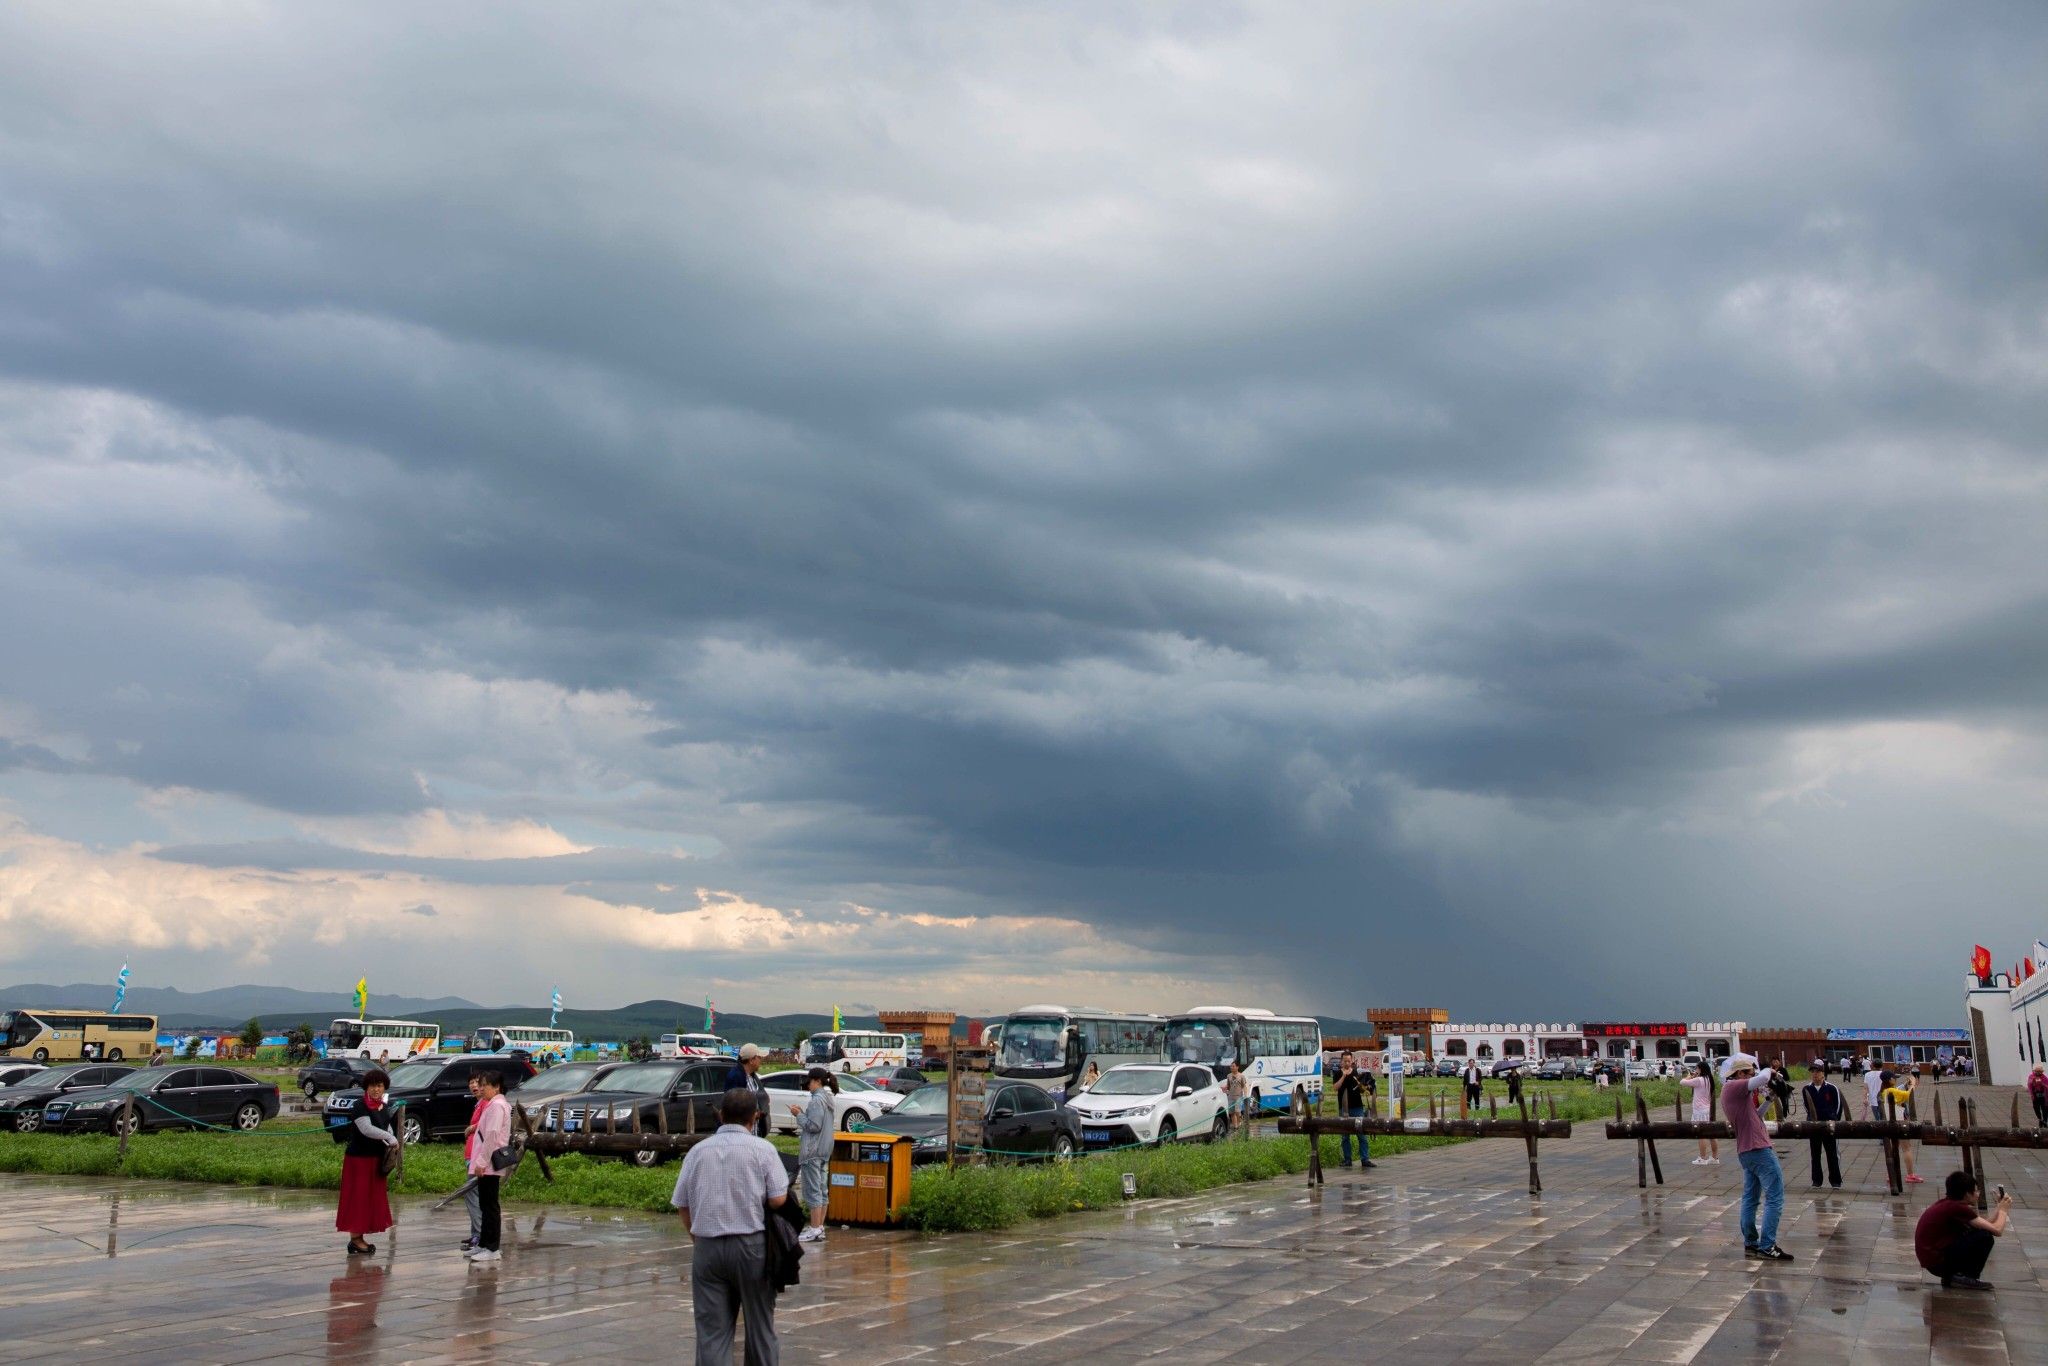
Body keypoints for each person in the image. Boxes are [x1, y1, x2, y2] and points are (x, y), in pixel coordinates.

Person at [675, 1088, 790, 1365]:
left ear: (721, 1115)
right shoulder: (763, 1150)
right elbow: (777, 1199)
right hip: (752, 1247)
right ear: (755, 1117)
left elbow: (682, 1203)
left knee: (712, 1333)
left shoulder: (698, 1151)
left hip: (707, 1247)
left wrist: (697, 1239)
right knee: (760, 1327)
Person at [1721, 1054, 1792, 1261]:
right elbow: (1762, 1078)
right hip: (1758, 1148)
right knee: (1775, 1197)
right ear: (1739, 1074)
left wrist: (1770, 1099)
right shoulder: (1734, 1087)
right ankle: (1768, 1245)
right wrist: (1771, 1071)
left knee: (1751, 1198)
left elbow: (1755, 1116)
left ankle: (1751, 1242)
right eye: (1748, 1073)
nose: (1751, 1077)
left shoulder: (1735, 1094)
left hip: (1747, 1150)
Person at [336, 1068, 400, 1256]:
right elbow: (366, 1129)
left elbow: (386, 1127)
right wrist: (390, 1138)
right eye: (372, 1086)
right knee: (358, 1199)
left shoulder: (383, 1106)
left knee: (370, 1199)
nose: (376, 1089)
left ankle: (359, 1238)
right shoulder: (360, 1106)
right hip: (359, 1160)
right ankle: (355, 1239)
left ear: (384, 1087)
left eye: (379, 1086)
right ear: (366, 1087)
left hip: (376, 1160)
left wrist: (391, 1138)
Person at [1916, 1172, 2013, 1290]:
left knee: (1980, 1232)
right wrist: (2003, 1211)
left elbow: (1985, 1224)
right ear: (1967, 1194)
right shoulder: (1957, 1208)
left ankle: (1953, 1277)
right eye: (1976, 1191)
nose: (1978, 1194)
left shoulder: (1949, 1204)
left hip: (1934, 1261)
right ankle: (1967, 1277)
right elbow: (1997, 1230)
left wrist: (1999, 1207)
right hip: (1938, 1261)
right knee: (1985, 1237)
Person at [467, 1070, 511, 1263]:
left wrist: (481, 1162)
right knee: (485, 1205)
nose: (481, 1088)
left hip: (489, 1164)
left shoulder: (497, 1106)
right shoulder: (494, 1104)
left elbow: (492, 1135)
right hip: (487, 1164)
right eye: (481, 1084)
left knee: (490, 1206)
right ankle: (484, 1244)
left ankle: (492, 1248)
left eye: (485, 1085)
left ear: (497, 1087)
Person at [791, 1069, 836, 1244]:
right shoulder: (828, 1099)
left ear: (817, 1081)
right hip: (824, 1150)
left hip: (812, 1151)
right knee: (822, 1190)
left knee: (813, 1190)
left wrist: (799, 1115)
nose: (808, 1085)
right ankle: (819, 1228)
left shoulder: (817, 1100)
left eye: (809, 1082)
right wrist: (804, 1113)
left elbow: (814, 1126)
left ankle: (815, 1228)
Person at [1800, 1064, 1849, 1189]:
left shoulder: (1831, 1088)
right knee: (1815, 1154)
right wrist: (1811, 1119)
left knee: (1832, 1153)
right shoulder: (1806, 1089)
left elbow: (1838, 1106)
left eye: (1817, 1072)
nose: (1815, 1074)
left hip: (1829, 1125)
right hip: (1813, 1125)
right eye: (1812, 1072)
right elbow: (1806, 1106)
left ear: (1823, 1073)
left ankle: (1835, 1180)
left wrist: (1834, 1120)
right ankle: (1816, 1180)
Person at [1333, 1052, 1375, 1169]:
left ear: (1352, 1061)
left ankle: (1365, 1159)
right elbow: (1335, 1088)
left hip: (1357, 1107)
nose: (1347, 1063)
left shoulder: (1356, 1073)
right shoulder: (1337, 1073)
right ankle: (1347, 1159)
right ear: (1341, 1061)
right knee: (1345, 1136)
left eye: (1349, 1061)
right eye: (1345, 1061)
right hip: (1343, 1108)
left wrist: (1362, 1086)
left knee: (1361, 1134)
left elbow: (1362, 1090)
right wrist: (1343, 1076)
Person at [459, 1072, 485, 1252]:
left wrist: (472, 1127)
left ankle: (479, 1234)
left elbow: (487, 1125)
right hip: (471, 1155)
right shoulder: (478, 1104)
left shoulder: (487, 1104)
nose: (474, 1086)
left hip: (478, 1157)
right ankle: (476, 1232)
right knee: (474, 1195)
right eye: (471, 1082)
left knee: (472, 1193)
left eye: (477, 1082)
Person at [1882, 1071, 1922, 1184]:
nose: (1895, 1079)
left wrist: (1906, 1084)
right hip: (1900, 1123)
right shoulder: (1892, 1091)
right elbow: (1909, 1095)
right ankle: (1910, 1175)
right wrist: (1913, 1083)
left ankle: (1891, 1174)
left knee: (1893, 1148)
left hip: (1890, 1123)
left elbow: (1900, 1091)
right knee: (1906, 1148)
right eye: (1894, 1078)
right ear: (1890, 1080)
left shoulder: (1885, 1091)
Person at [725, 1044, 769, 1138]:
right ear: (751, 1060)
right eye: (759, 1057)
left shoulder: (752, 1076)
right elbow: (733, 1108)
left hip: (753, 1132)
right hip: (740, 1135)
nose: (761, 1060)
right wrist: (754, 1115)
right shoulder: (735, 1077)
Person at [1683, 1060, 1719, 1166]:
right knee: (1712, 1134)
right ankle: (1715, 1157)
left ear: (1700, 1069)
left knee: (1701, 1134)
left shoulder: (1699, 1080)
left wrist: (1690, 1076)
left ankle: (1702, 1158)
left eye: (1697, 1068)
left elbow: (1682, 1082)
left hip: (1699, 1110)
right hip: (1708, 1109)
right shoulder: (1709, 1079)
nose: (1696, 1070)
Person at [1224, 1062, 1249, 1138]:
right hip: (1230, 1096)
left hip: (1239, 1096)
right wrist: (1224, 1089)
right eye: (1231, 1066)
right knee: (1232, 1112)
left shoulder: (1241, 1076)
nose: (1231, 1067)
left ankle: (1239, 1123)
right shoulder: (1229, 1076)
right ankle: (1235, 1127)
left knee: (1237, 1111)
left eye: (1233, 1066)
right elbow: (1228, 1086)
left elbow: (1244, 1086)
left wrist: (1245, 1095)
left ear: (1237, 1067)